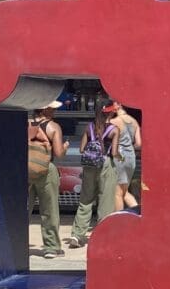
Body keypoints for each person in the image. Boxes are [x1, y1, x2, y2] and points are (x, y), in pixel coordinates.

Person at [64, 95, 119, 249]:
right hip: (106, 164)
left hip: (89, 165)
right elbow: (114, 153)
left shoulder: (89, 127)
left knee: (85, 201)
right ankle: (103, 236)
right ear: (110, 113)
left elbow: (81, 149)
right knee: (105, 202)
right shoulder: (114, 130)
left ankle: (77, 235)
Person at [28, 100, 69, 259]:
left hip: (27, 168)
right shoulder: (53, 127)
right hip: (46, 169)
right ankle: (51, 248)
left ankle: (16, 245)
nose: (54, 111)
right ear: (45, 109)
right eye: (52, 108)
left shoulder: (26, 123)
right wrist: (65, 147)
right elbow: (58, 153)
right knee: (49, 209)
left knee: (24, 208)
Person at [107, 99, 142, 211]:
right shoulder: (134, 121)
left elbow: (104, 132)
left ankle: (119, 220)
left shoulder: (114, 121)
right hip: (131, 157)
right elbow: (139, 144)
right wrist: (129, 147)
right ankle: (137, 212)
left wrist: (109, 116)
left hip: (119, 157)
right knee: (124, 191)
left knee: (117, 193)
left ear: (119, 105)